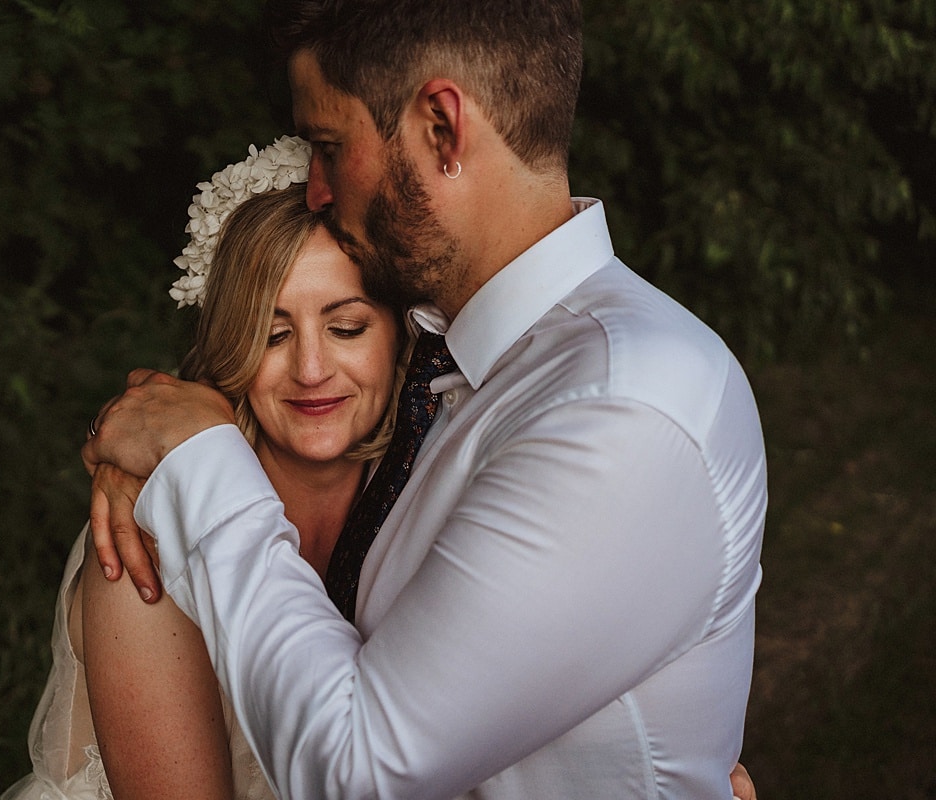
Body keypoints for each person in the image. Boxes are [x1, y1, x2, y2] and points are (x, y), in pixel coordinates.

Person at [82, 0, 767, 798]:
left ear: (441, 127)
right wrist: (145, 446)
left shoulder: (625, 405)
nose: (315, 190)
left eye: (329, 147)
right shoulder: (451, 369)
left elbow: (361, 770)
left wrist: (200, 463)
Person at [1, 165, 410, 799]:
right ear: (230, 348)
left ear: (400, 337)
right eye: (272, 335)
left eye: (346, 327)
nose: (310, 369)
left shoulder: (436, 486)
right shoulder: (146, 541)